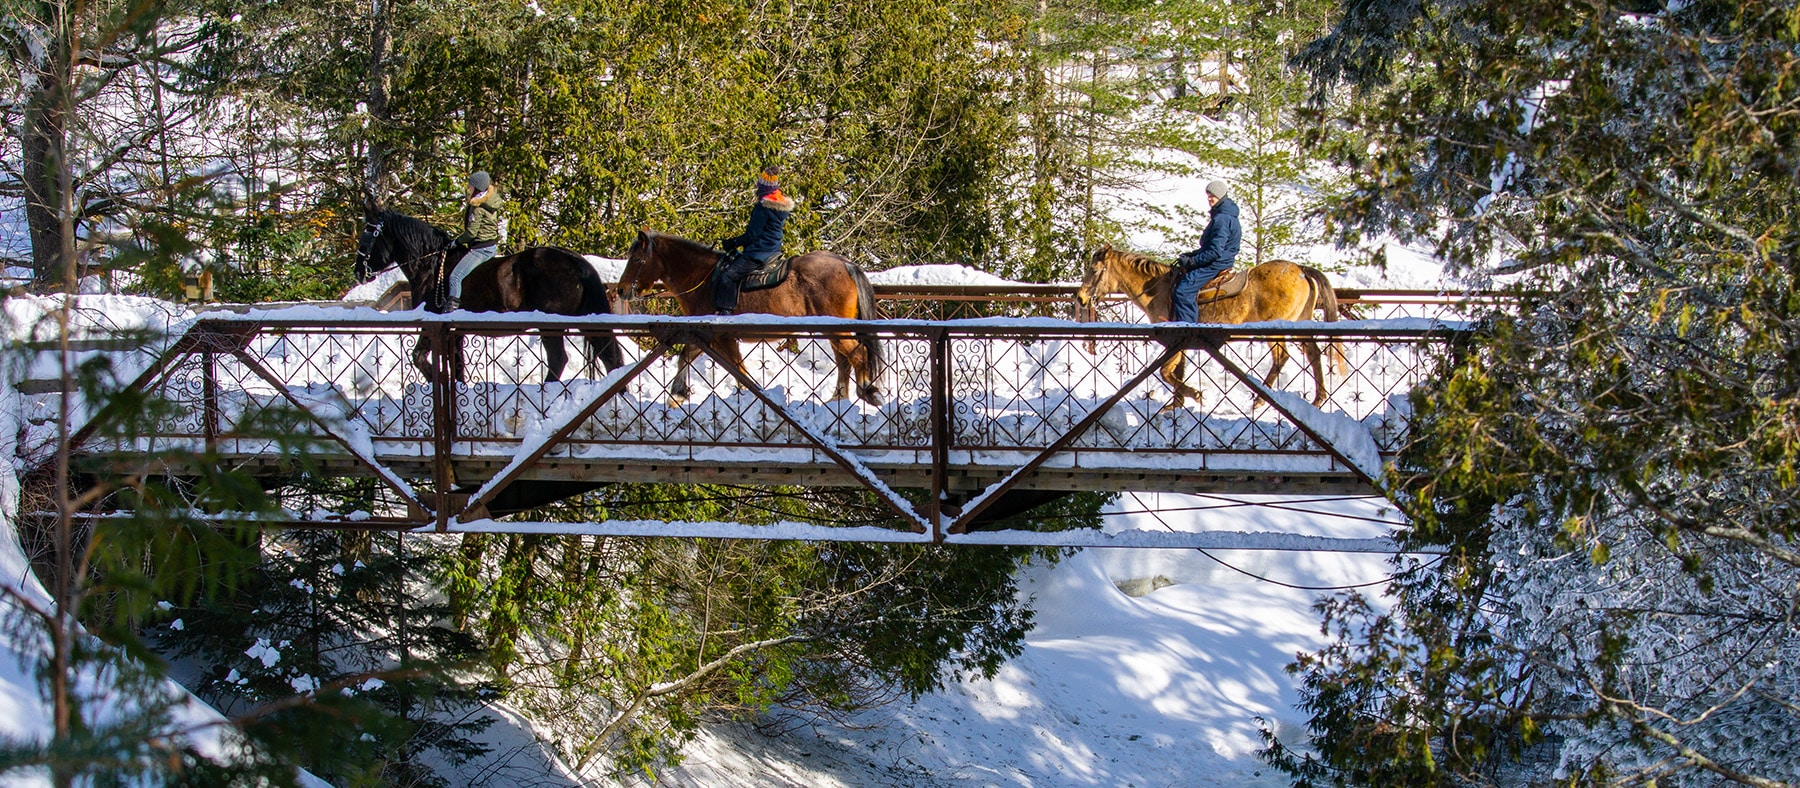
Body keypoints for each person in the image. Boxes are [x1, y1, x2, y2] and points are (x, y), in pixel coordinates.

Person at [713, 164, 795, 315]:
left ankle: (725, 312)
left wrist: (733, 243)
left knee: (728, 275)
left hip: (758, 253)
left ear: (762, 188)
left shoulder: (762, 208)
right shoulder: (779, 207)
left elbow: (752, 235)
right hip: (773, 250)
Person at [1171, 179, 1241, 323]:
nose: (1210, 198)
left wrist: (1192, 262)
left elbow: (1215, 251)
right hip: (1221, 260)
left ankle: (1187, 330)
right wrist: (1193, 254)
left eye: (1213, 195)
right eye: (1208, 195)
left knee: (1183, 291)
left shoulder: (1221, 219)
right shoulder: (1226, 215)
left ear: (1221, 195)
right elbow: (1213, 246)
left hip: (1216, 263)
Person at [445, 170, 503, 311]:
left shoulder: (477, 206)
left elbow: (471, 233)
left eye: (470, 185)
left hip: (481, 249)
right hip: (490, 245)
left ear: (477, 187)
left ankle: (451, 310)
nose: (468, 188)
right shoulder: (490, 201)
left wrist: (456, 242)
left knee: (455, 277)